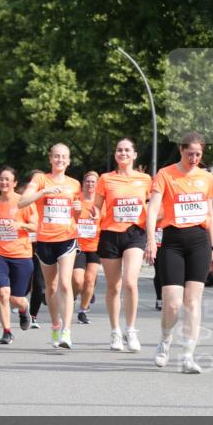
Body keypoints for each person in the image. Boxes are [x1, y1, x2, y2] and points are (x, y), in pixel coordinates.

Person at [145, 132, 213, 374]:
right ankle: (165, 340)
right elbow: (153, 209)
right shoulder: (165, 174)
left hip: (199, 241)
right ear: (181, 151)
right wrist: (150, 241)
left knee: (193, 302)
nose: (194, 158)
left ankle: (188, 356)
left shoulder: (206, 177)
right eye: (190, 154)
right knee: (173, 303)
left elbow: (210, 214)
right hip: (173, 241)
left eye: (198, 154)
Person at [18, 143, 82, 349]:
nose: (60, 160)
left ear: (69, 161)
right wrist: (43, 192)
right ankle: (55, 325)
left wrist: (79, 209)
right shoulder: (40, 180)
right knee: (51, 286)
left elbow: (77, 213)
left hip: (67, 237)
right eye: (56, 156)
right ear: (50, 158)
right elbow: (22, 202)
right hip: (45, 239)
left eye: (64, 157)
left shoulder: (74, 184)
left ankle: (67, 331)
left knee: (65, 283)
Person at [93, 138, 153, 352]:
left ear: (134, 155)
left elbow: (152, 206)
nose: (123, 153)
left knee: (130, 282)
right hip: (110, 234)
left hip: (135, 233)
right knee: (113, 287)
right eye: (119, 150)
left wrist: (153, 234)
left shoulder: (145, 179)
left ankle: (131, 329)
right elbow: (97, 206)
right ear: (115, 154)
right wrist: (94, 214)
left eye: (127, 150)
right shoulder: (105, 179)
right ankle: (115, 332)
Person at [0, 167, 37, 344]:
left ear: (14, 183)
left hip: (21, 254)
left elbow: (36, 226)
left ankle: (23, 309)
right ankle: (7, 331)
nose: (3, 182)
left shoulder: (24, 202)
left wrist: (20, 225)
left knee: (16, 299)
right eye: (1, 179)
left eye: (7, 179)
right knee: (3, 293)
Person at [72, 171, 102, 324]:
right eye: (87, 181)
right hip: (78, 245)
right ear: (83, 183)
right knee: (78, 281)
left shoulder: (101, 202)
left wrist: (99, 216)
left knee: (90, 280)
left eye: (93, 182)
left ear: (97, 185)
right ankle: (72, 297)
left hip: (95, 246)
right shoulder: (76, 199)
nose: (90, 184)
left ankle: (83, 311)